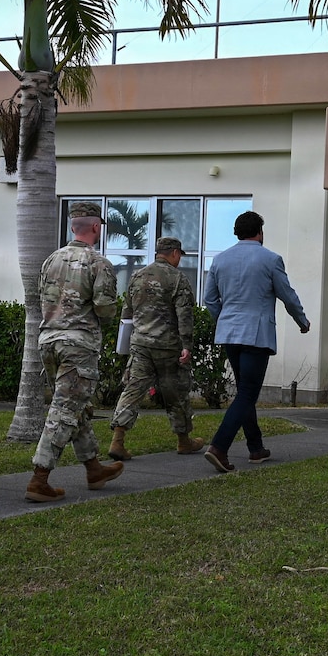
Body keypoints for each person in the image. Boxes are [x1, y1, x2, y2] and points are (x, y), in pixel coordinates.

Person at [26, 202, 125, 500]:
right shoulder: (99, 264)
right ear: (96, 227)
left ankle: (94, 468)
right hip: (78, 345)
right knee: (65, 410)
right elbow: (105, 310)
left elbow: (41, 299)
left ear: (73, 226)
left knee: (75, 405)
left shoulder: (50, 260)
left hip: (48, 341)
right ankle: (39, 479)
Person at [200, 209, 309, 473]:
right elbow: (287, 295)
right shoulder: (270, 259)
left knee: (244, 392)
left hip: (229, 334)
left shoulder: (220, 260)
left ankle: (256, 448)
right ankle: (219, 447)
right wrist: (302, 321)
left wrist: (224, 319)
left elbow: (210, 300)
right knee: (248, 393)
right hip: (256, 334)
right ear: (259, 232)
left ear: (237, 232)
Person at [108, 236, 206, 460]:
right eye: (180, 255)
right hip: (168, 347)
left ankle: (118, 440)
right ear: (174, 253)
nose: (180, 259)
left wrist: (126, 341)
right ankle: (184, 441)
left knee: (133, 390)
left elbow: (127, 313)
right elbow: (185, 316)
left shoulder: (137, 276)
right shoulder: (178, 279)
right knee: (176, 393)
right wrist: (187, 345)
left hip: (140, 344)